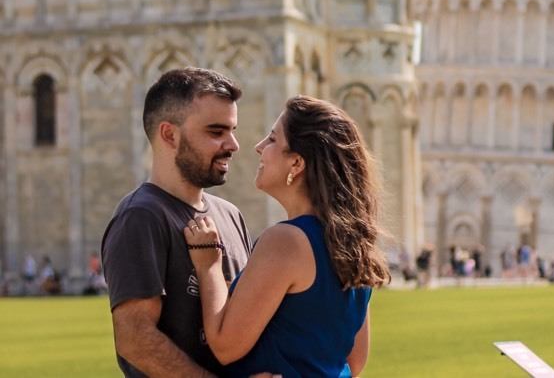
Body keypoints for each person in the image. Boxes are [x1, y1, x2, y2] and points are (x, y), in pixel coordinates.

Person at [184, 95, 390, 377]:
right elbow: (354, 362)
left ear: (296, 163)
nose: (258, 147)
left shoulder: (286, 241)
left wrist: (209, 265)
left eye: (271, 140)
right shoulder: (353, 244)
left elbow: (224, 345)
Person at [102, 67, 269, 378]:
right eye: (216, 132)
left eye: (232, 130)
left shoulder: (230, 214)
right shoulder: (142, 216)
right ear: (170, 135)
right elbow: (135, 339)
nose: (233, 144)